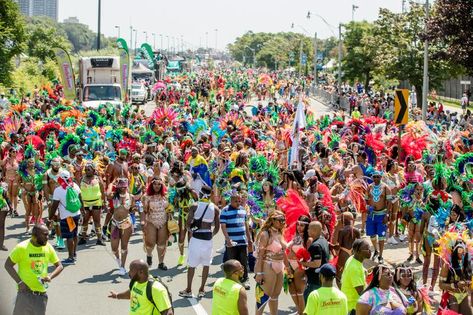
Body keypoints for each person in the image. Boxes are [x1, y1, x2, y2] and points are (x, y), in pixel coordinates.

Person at [4, 224, 63, 315]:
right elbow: (8, 265)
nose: (47, 238)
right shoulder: (21, 248)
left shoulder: (48, 247)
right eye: (45, 235)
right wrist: (20, 282)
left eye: (48, 234)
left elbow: (59, 266)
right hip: (24, 294)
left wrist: (50, 276)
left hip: (41, 296)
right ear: (35, 236)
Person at [179, 186, 220, 298]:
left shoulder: (194, 206)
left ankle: (188, 289)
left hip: (196, 239)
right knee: (206, 265)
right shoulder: (215, 208)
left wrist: (192, 231)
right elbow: (217, 228)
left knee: (191, 265)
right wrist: (211, 235)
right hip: (208, 240)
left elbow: (188, 224)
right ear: (211, 194)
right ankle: (202, 289)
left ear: (200, 194)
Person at [108, 259, 173, 315]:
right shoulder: (136, 282)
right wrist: (117, 295)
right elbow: (132, 293)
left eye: (131, 270)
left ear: (141, 272)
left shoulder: (156, 289)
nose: (129, 273)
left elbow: (168, 312)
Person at [254, 211, 287, 315]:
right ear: (273, 220)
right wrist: (258, 273)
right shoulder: (266, 234)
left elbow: (284, 252)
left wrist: (288, 267)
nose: (283, 222)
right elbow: (259, 256)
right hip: (268, 265)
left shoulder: (280, 233)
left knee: (275, 296)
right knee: (264, 296)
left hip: (280, 265)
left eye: (284, 220)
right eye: (280, 220)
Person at [48, 170, 83, 265]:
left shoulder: (58, 190)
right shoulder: (75, 186)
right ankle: (74, 254)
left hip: (67, 217)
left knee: (69, 237)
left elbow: (54, 206)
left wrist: (49, 218)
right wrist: (82, 213)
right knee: (74, 234)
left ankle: (71, 258)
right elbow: (80, 199)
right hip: (76, 214)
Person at [220, 191, 252, 290]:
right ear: (231, 201)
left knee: (243, 261)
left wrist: (249, 238)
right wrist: (227, 239)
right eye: (236, 201)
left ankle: (245, 279)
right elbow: (223, 226)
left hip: (242, 241)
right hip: (232, 243)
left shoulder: (243, 210)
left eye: (239, 200)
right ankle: (231, 281)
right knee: (232, 263)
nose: (238, 203)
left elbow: (246, 225)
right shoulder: (225, 210)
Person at [439, 239, 472, 315]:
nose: (462, 253)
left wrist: (468, 283)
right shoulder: (447, 265)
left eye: (464, 250)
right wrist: (455, 285)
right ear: (455, 250)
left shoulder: (466, 263)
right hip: (452, 296)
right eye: (459, 250)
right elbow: (441, 285)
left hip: (464, 295)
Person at [108, 178, 134, 275]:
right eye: (121, 186)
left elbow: (132, 209)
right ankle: (118, 260)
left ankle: (122, 267)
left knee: (124, 246)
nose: (123, 188)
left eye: (124, 186)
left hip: (126, 223)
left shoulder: (131, 197)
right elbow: (107, 194)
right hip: (115, 223)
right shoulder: (114, 196)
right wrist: (111, 183)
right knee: (114, 248)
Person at [287, 215, 312, 314]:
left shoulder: (308, 240)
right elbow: (286, 246)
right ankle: (299, 311)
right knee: (292, 290)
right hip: (290, 267)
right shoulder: (295, 237)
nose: (299, 227)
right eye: (298, 224)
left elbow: (308, 257)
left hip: (300, 268)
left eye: (302, 225)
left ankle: (302, 312)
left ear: (307, 227)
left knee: (299, 292)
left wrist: (295, 256)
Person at [366, 171, 391, 264]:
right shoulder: (369, 187)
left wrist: (386, 215)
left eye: (378, 177)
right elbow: (366, 199)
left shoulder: (385, 187)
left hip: (381, 215)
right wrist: (368, 207)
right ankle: (375, 250)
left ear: (381, 177)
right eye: (374, 176)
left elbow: (389, 203)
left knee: (381, 236)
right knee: (372, 235)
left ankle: (381, 255)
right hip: (372, 215)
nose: (376, 178)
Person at [144, 177, 169, 270]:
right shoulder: (146, 196)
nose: (157, 186)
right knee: (150, 243)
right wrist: (143, 222)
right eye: (155, 184)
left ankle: (161, 263)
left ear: (162, 185)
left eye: (159, 184)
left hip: (163, 221)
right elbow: (144, 211)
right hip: (151, 221)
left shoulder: (166, 196)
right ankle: (149, 255)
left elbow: (170, 208)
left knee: (161, 243)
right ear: (151, 185)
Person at [301, 221, 330, 303]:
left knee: (309, 302)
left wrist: (302, 263)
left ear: (314, 230)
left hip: (315, 280)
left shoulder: (315, 245)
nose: (307, 230)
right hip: (321, 278)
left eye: (309, 228)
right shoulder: (323, 240)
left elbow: (317, 263)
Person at [78, 162, 106, 246]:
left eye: (89, 170)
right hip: (85, 203)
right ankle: (83, 238)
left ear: (93, 170)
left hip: (96, 202)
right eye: (86, 170)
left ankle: (99, 239)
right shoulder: (81, 179)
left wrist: (104, 202)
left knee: (97, 221)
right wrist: (80, 205)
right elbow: (79, 193)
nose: (87, 171)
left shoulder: (98, 179)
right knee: (85, 220)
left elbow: (102, 191)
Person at [341, 238, 371, 314]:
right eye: (367, 249)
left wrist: (366, 271)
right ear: (358, 251)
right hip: (353, 307)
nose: (369, 251)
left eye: (369, 248)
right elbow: (361, 292)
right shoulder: (355, 268)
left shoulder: (352, 258)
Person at [333, 212, 360, 287]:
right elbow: (360, 244)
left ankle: (342, 292)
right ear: (352, 220)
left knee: (338, 276)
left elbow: (338, 246)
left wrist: (331, 246)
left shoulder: (341, 231)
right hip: (354, 254)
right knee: (353, 274)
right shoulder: (356, 230)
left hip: (343, 255)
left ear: (342, 221)